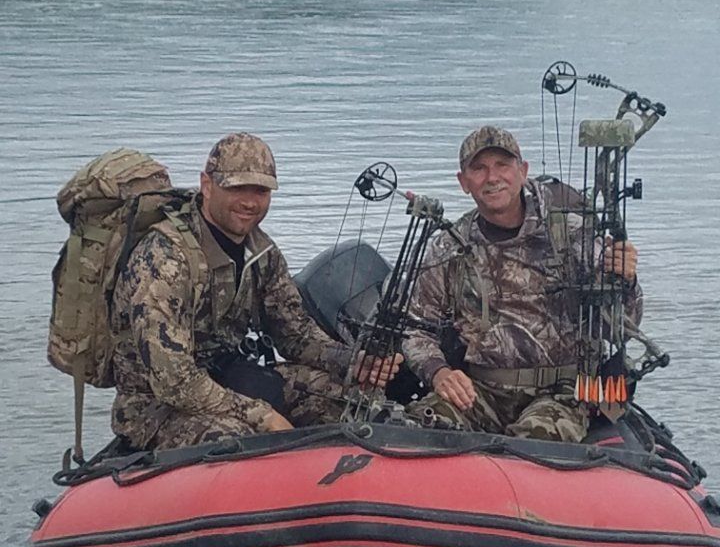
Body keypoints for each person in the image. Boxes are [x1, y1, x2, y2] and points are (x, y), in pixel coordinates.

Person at [111, 132, 399, 451]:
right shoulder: (164, 260)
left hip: (231, 379)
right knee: (243, 444)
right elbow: (174, 382)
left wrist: (353, 360)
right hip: (157, 410)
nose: (250, 202)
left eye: (260, 190)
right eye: (237, 188)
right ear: (207, 185)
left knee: (356, 403)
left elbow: (295, 334)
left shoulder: (261, 252)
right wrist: (262, 415)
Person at [403, 126, 642, 442]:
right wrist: (440, 373)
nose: (492, 177)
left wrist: (626, 280)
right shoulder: (450, 247)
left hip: (561, 395)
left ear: (523, 171)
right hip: (481, 393)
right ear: (463, 182)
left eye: (503, 165)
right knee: (416, 429)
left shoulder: (571, 233)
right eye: (479, 168)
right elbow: (416, 328)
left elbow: (621, 327)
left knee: (534, 443)